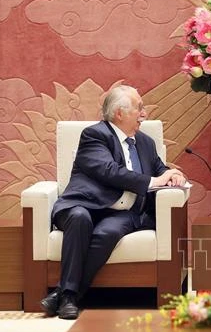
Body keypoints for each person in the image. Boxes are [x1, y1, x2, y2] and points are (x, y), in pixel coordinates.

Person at [40, 85, 186, 320]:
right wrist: (157, 179)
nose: (144, 114)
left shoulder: (145, 142)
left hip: (121, 213)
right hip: (83, 204)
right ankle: (67, 296)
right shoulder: (95, 135)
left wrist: (174, 174)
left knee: (107, 233)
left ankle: (65, 295)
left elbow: (160, 169)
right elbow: (110, 172)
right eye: (139, 108)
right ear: (119, 113)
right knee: (79, 219)